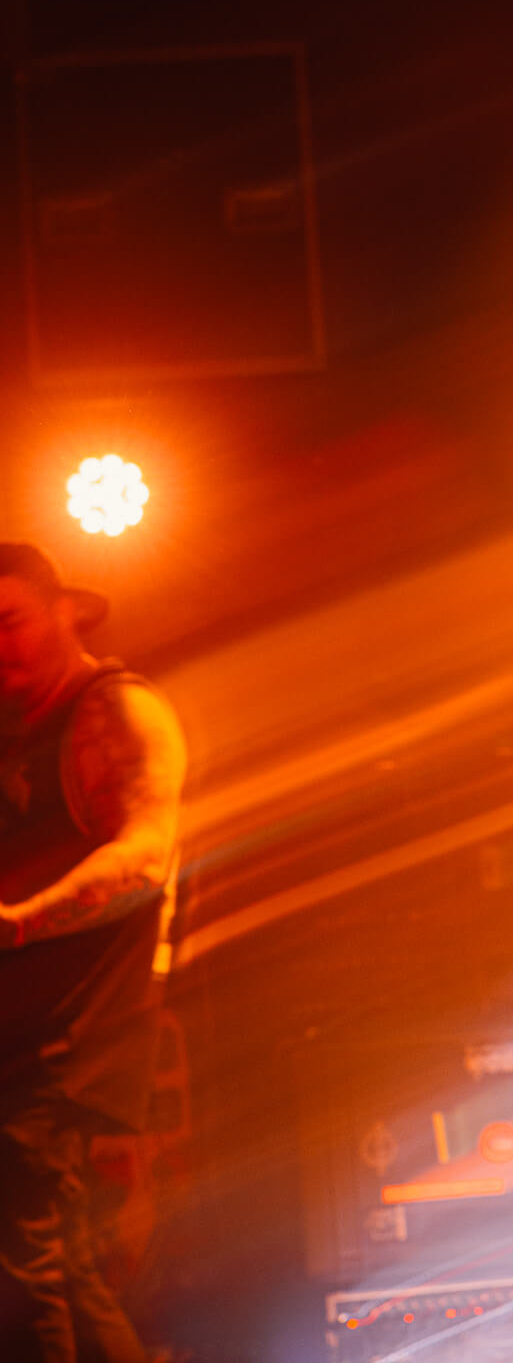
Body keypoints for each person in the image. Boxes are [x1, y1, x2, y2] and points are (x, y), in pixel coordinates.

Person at [0, 543, 187, 1363]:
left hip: (69, 1041)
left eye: (10, 622)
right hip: (25, 1037)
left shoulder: (114, 710)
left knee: (21, 1261)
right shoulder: (15, 731)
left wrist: (16, 922)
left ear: (66, 611)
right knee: (65, 1266)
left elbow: (146, 857)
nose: (0, 647)